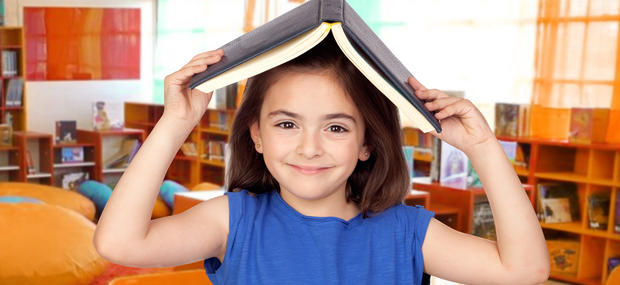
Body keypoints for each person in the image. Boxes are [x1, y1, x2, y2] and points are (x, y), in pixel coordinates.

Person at [93, 36, 549, 284]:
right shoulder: (232, 221)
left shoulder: (406, 232)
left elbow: (525, 271)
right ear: (256, 135)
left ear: (367, 143)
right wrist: (175, 123)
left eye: (336, 128)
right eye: (287, 124)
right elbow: (118, 245)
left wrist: (483, 148)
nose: (309, 147)